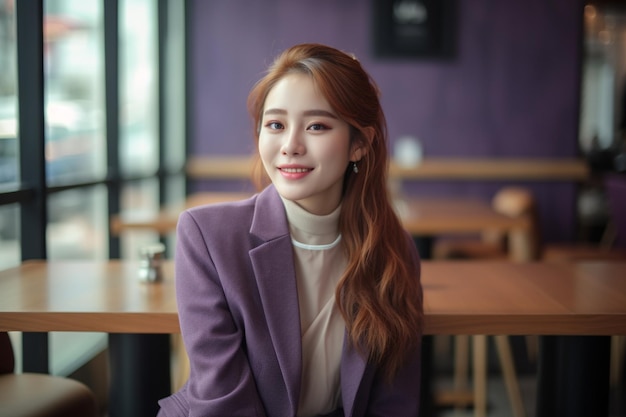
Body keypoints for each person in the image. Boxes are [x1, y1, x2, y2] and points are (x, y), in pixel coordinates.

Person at [157, 43, 423, 417]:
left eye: (316, 126)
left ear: (359, 144)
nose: (290, 146)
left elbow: (394, 402)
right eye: (276, 125)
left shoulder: (392, 251)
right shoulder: (207, 236)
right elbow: (224, 402)